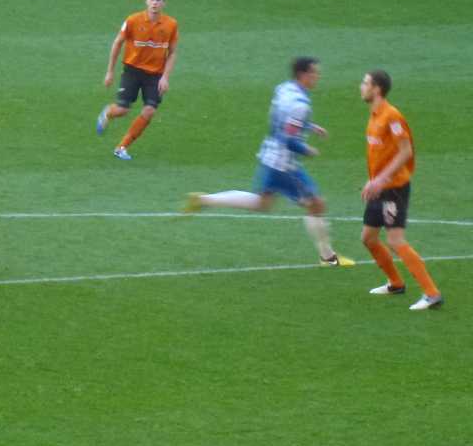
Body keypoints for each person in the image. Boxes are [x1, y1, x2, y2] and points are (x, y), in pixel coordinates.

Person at [184, 57, 356, 268]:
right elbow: (289, 138)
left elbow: (281, 120)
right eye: (314, 73)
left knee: (262, 203)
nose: (317, 77)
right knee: (316, 204)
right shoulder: (301, 105)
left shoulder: (283, 89)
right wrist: (307, 149)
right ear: (303, 75)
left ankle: (205, 200)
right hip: (285, 164)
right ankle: (328, 258)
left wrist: (310, 127)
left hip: (269, 154)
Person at [358, 70, 441, 311]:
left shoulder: (391, 116)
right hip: (379, 187)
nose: (361, 87)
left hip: (393, 189)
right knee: (368, 238)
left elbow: (406, 152)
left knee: (395, 240)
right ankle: (395, 283)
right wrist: (372, 180)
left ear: (377, 88)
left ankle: (432, 293)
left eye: (365, 83)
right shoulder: (374, 115)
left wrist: (381, 180)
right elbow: (381, 154)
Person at [98, 0, 178, 161]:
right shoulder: (133, 21)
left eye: (158, 0)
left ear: (163, 3)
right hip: (132, 71)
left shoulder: (171, 25)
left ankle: (121, 147)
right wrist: (110, 71)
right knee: (122, 110)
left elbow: (172, 52)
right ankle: (108, 112)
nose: (155, 3)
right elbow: (117, 43)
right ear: (146, 1)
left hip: (155, 75)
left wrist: (165, 77)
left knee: (149, 110)